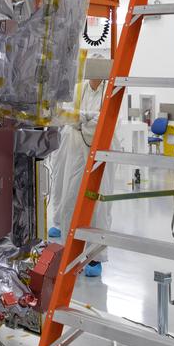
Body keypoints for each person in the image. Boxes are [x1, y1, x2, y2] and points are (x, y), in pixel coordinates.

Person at [48, 72, 113, 277]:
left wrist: (79, 119)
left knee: (99, 206)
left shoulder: (110, 92)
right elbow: (62, 114)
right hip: (75, 150)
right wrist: (85, 118)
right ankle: (70, 252)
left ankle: (96, 257)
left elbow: (104, 123)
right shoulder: (78, 89)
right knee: (70, 199)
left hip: (102, 150)